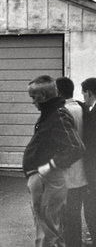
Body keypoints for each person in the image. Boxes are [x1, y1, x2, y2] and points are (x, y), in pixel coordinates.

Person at [23, 75, 85, 247]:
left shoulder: (58, 115)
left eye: (33, 97)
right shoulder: (49, 114)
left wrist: (49, 166)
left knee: (49, 231)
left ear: (43, 96)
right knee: (45, 228)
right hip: (43, 178)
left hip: (49, 179)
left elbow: (76, 147)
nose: (32, 102)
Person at [56, 77, 88, 247]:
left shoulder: (61, 112)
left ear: (58, 92)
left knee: (66, 220)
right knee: (74, 219)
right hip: (83, 174)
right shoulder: (82, 109)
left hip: (66, 176)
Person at [81, 78, 96, 246]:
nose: (84, 97)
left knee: (91, 208)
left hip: (93, 170)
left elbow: (90, 146)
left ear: (89, 92)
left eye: (84, 94)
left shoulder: (93, 115)